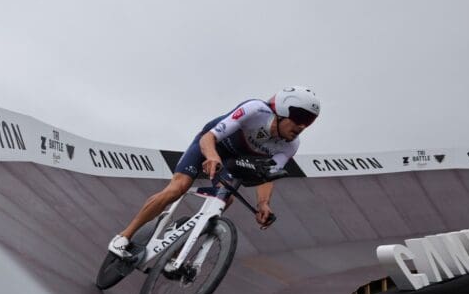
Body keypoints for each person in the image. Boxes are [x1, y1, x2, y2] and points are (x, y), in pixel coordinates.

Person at [108, 86, 321, 258]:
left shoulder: (290, 145)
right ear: (281, 110)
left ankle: (180, 241)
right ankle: (123, 237)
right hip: (212, 143)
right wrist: (211, 156)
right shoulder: (255, 110)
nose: (302, 125)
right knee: (178, 188)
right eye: (299, 116)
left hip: (234, 160)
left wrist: (263, 204)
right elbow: (208, 138)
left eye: (309, 121)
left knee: (224, 200)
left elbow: (267, 174)